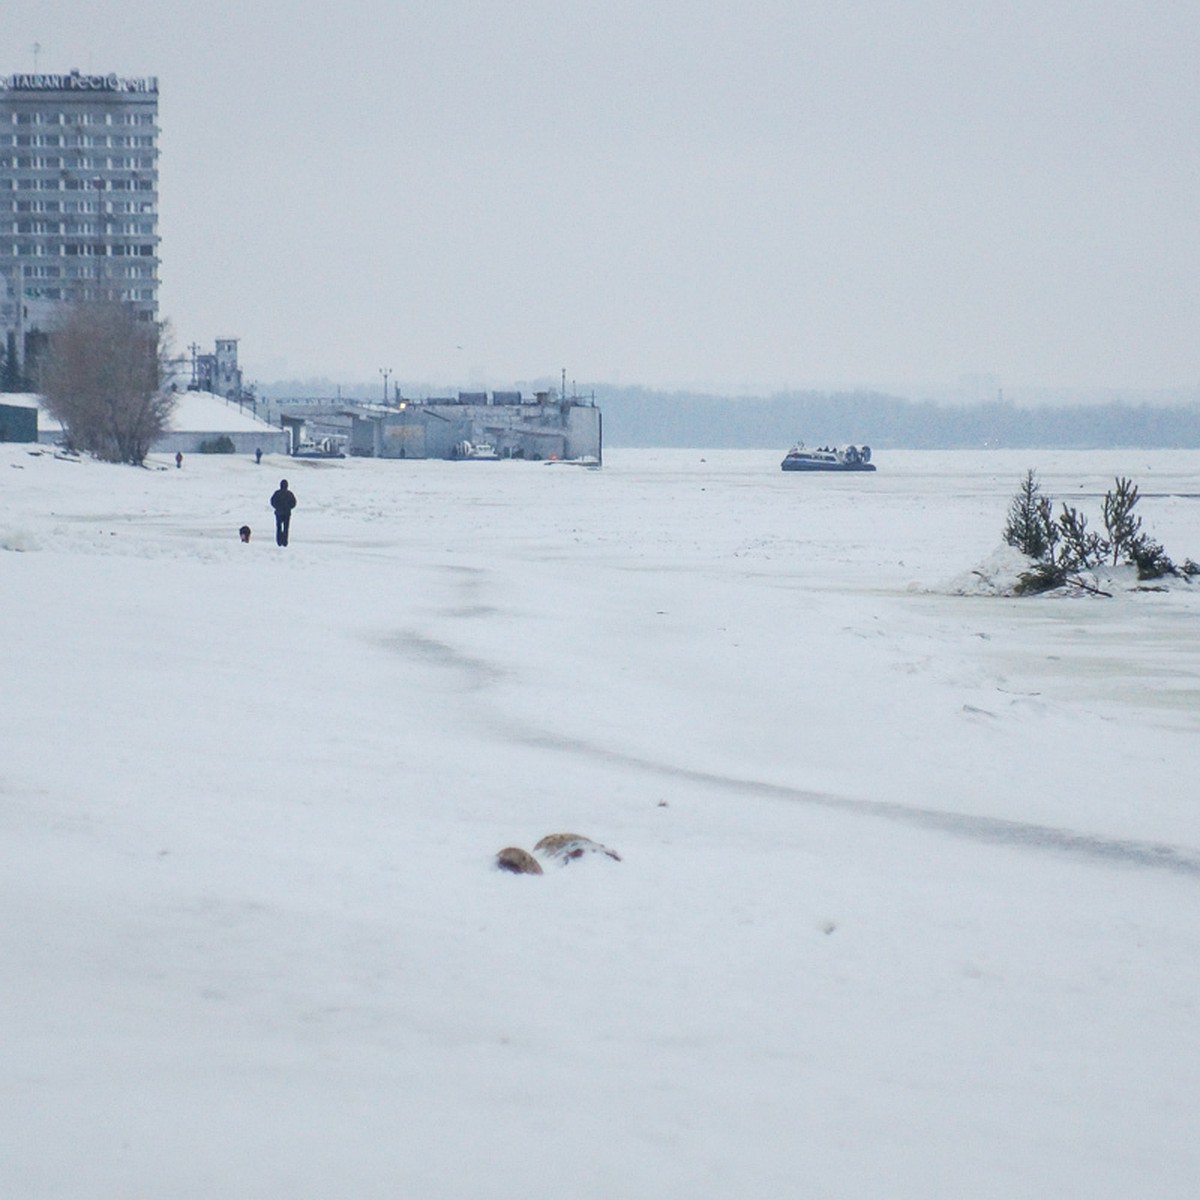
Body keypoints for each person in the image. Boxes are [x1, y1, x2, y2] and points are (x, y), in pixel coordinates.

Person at [270, 479, 296, 546]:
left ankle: (279, 541)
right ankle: (284, 542)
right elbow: (294, 503)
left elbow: (272, 501)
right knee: (286, 528)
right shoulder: (289, 494)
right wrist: (289, 508)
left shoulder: (277, 493)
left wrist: (277, 507)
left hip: (279, 513)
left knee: (278, 527)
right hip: (287, 514)